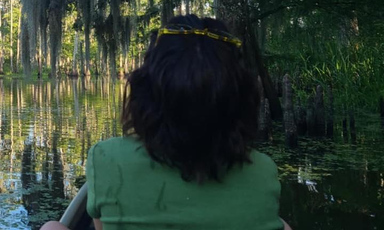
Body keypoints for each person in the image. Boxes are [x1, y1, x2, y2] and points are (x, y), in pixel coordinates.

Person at [42, 15, 290, 230]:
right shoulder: (263, 170)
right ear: (238, 98)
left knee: (52, 226)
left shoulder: (106, 157)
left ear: (147, 91)